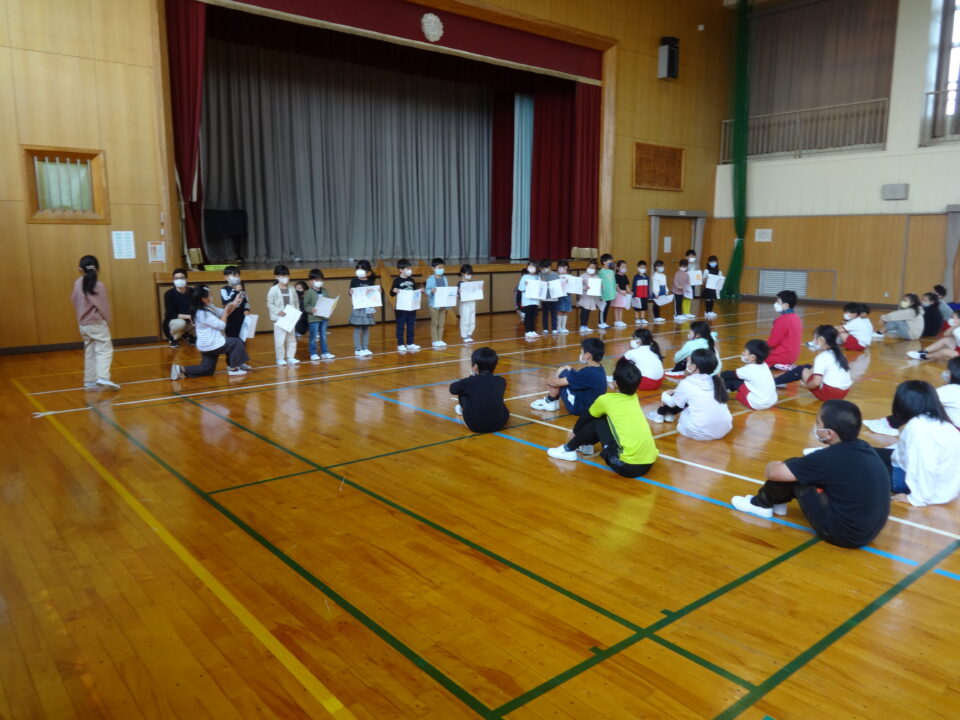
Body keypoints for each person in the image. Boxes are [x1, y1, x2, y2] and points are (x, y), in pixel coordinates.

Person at [730, 400, 890, 548]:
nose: (815, 426)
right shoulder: (864, 447)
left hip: (844, 535)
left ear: (829, 433)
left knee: (796, 471)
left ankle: (760, 504)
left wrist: (773, 463)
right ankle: (777, 502)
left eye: (818, 422)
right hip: (869, 532)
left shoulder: (828, 458)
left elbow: (774, 473)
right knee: (802, 469)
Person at [547, 357, 659, 477]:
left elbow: (585, 417)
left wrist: (575, 433)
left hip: (626, 466)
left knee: (598, 420)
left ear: (615, 383)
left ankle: (568, 449)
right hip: (649, 462)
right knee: (607, 419)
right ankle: (586, 445)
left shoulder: (606, 400)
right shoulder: (634, 399)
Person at [870, 381, 960, 507]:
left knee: (859, 466)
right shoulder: (943, 422)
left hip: (922, 486)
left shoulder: (918, 427)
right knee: (865, 450)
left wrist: (916, 499)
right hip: (947, 485)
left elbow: (925, 467)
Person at [648, 349, 733, 440]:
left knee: (677, 399)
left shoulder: (687, 383)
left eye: (689, 361)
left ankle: (659, 413)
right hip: (723, 430)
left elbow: (671, 403)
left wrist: (664, 395)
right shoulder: (716, 381)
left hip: (699, 432)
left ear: (693, 366)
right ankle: (669, 415)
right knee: (685, 397)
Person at [865, 356, 960, 435]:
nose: (945, 372)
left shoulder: (952, 390)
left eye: (948, 370)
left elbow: (924, 399)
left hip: (954, 431)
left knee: (918, 404)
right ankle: (888, 423)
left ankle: (890, 424)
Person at [171, 286, 250, 379]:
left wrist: (235, 303)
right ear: (203, 299)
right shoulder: (203, 314)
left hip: (206, 345)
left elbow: (223, 312)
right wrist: (226, 311)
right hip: (212, 343)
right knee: (236, 342)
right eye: (210, 295)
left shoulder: (208, 308)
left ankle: (180, 369)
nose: (211, 297)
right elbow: (222, 325)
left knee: (207, 369)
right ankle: (234, 369)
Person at [529, 337, 607, 426]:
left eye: (582, 352)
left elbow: (556, 383)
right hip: (590, 404)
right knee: (565, 370)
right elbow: (578, 377)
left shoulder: (587, 373)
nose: (580, 354)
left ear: (588, 356)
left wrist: (549, 380)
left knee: (561, 374)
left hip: (579, 408)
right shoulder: (598, 368)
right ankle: (552, 400)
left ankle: (550, 401)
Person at [70, 254, 120, 390]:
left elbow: (74, 300)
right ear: (97, 269)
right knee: (104, 350)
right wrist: (107, 320)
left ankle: (90, 379)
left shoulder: (78, 283)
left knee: (90, 350)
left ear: (80, 269)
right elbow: (103, 306)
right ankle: (103, 377)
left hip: (83, 325)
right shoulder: (98, 285)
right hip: (95, 323)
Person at [774, 325, 852, 401]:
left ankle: (774, 382)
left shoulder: (822, 357)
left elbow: (816, 383)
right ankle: (780, 379)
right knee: (807, 367)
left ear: (821, 340)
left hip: (830, 394)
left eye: (815, 338)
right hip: (842, 393)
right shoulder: (839, 353)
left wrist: (805, 386)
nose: (813, 341)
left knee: (800, 370)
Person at [449, 346, 510, 433]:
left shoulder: (469, 382)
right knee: (491, 394)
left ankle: (462, 410)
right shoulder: (501, 381)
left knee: (462, 392)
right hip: (500, 423)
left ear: (475, 366)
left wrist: (471, 377)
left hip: (475, 425)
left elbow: (452, 389)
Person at [721, 339, 777, 410]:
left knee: (732, 380)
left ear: (752, 357)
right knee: (739, 378)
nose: (743, 353)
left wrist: (716, 375)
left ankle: (717, 394)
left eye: (745, 351)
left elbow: (728, 374)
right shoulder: (764, 365)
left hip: (757, 404)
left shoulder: (749, 369)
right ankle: (724, 391)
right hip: (771, 401)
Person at [266, 264, 300, 365]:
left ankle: (290, 357)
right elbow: (270, 303)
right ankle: (280, 358)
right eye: (282, 275)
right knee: (279, 340)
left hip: (290, 317)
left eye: (286, 275)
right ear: (276, 277)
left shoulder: (291, 288)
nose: (285, 277)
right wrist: (278, 311)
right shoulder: (274, 289)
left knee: (291, 338)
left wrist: (296, 313)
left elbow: (296, 302)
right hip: (279, 318)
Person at [766, 290, 803, 370]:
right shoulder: (796, 318)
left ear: (786, 305)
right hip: (793, 356)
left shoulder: (782, 320)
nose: (776, 304)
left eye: (778, 302)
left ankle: (777, 365)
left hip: (782, 356)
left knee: (756, 357)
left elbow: (772, 342)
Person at [304, 268, 334, 361]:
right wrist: (311, 309)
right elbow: (305, 305)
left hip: (324, 317)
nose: (319, 282)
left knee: (323, 336)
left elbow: (328, 302)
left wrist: (331, 308)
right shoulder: (308, 292)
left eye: (320, 280)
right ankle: (313, 353)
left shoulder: (324, 291)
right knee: (313, 336)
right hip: (314, 318)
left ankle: (325, 352)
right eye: (316, 280)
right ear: (311, 281)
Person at [349, 260, 377, 357]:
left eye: (362, 269)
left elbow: (372, 295)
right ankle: (358, 349)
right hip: (358, 309)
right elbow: (350, 293)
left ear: (367, 271)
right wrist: (350, 292)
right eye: (358, 268)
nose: (359, 270)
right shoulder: (354, 280)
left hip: (367, 309)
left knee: (366, 329)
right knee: (358, 329)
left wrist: (377, 292)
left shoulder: (370, 282)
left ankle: (365, 348)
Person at [391, 259, 419, 353]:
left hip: (411, 308)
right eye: (407, 268)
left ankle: (410, 343)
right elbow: (392, 293)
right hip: (401, 308)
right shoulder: (397, 280)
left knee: (411, 326)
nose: (409, 270)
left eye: (409, 268)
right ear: (401, 270)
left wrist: (420, 292)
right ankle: (400, 344)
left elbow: (414, 292)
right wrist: (394, 290)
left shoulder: (411, 280)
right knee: (400, 326)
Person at [162, 268, 194, 348]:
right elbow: (171, 314)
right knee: (180, 323)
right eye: (176, 278)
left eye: (182, 278)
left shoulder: (192, 291)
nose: (179, 280)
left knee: (200, 318)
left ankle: (187, 334)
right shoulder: (169, 294)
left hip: (189, 320)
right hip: (174, 320)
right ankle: (172, 338)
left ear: (186, 279)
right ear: (173, 280)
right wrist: (189, 316)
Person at [219, 265, 249, 340]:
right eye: (234, 276)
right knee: (233, 340)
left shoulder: (241, 288)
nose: (236, 278)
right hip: (231, 320)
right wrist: (235, 290)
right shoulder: (224, 289)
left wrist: (246, 310)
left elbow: (246, 301)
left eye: (238, 276)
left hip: (241, 319)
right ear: (226, 277)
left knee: (242, 340)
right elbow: (226, 301)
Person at [425, 257, 448, 347]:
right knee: (435, 323)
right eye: (439, 267)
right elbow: (427, 290)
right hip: (434, 304)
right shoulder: (430, 279)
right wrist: (431, 291)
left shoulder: (445, 278)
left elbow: (446, 290)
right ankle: (434, 340)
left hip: (443, 303)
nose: (441, 269)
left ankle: (440, 339)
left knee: (442, 323)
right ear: (433, 268)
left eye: (442, 267)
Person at [517, 259, 541, 338]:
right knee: (528, 315)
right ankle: (527, 331)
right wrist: (525, 285)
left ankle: (533, 330)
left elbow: (540, 287)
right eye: (530, 266)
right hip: (527, 300)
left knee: (533, 316)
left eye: (533, 266)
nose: (531, 268)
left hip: (535, 300)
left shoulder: (538, 277)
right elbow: (520, 288)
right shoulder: (525, 277)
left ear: (536, 268)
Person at [578, 259, 601, 332]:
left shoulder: (596, 277)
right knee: (584, 311)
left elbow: (599, 286)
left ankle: (585, 326)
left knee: (588, 312)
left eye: (593, 268)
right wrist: (584, 287)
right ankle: (582, 326)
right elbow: (578, 286)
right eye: (590, 267)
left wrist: (600, 286)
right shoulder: (582, 276)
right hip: (585, 297)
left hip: (592, 298)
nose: (591, 269)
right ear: (587, 267)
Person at [539, 259, 560, 335]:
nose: (543, 270)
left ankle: (554, 329)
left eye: (544, 268)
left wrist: (549, 284)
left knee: (554, 314)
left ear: (549, 267)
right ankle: (545, 329)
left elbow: (558, 286)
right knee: (545, 314)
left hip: (554, 298)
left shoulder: (555, 275)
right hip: (544, 298)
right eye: (541, 268)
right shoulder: (540, 275)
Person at [610, 260, 631, 328]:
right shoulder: (616, 276)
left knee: (621, 307)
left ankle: (620, 320)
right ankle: (616, 321)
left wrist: (629, 292)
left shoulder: (625, 276)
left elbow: (627, 286)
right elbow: (616, 286)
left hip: (623, 294)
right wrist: (620, 291)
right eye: (622, 267)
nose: (624, 268)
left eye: (625, 267)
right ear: (618, 268)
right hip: (618, 294)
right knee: (617, 307)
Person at [597, 253, 617, 329]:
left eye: (611, 260)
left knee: (607, 308)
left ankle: (604, 322)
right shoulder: (601, 272)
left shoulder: (611, 272)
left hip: (610, 294)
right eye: (609, 260)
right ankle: (601, 322)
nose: (611, 262)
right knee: (602, 308)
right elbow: (599, 283)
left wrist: (614, 292)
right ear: (604, 262)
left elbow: (613, 282)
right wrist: (600, 294)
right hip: (604, 294)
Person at [555, 260, 573, 334]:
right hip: (559, 296)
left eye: (564, 268)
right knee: (560, 311)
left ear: (567, 268)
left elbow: (573, 285)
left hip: (567, 295)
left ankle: (563, 327)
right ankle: (558, 327)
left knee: (565, 311)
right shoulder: (556, 276)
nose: (562, 269)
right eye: (560, 268)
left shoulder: (570, 276)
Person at [631, 260, 650, 325]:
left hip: (644, 295)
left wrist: (648, 294)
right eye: (641, 267)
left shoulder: (647, 277)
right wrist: (634, 294)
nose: (643, 269)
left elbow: (648, 286)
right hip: (637, 295)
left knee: (644, 307)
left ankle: (642, 318)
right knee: (637, 307)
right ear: (638, 268)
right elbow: (634, 286)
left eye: (644, 267)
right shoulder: (636, 277)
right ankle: (637, 318)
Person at [650, 260, 668, 324]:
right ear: (656, 267)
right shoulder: (655, 276)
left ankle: (658, 316)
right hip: (657, 292)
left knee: (659, 304)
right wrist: (656, 293)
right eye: (661, 266)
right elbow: (655, 285)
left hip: (662, 290)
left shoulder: (663, 275)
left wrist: (666, 291)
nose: (662, 268)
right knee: (656, 304)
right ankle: (656, 317)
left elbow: (665, 284)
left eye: (663, 266)